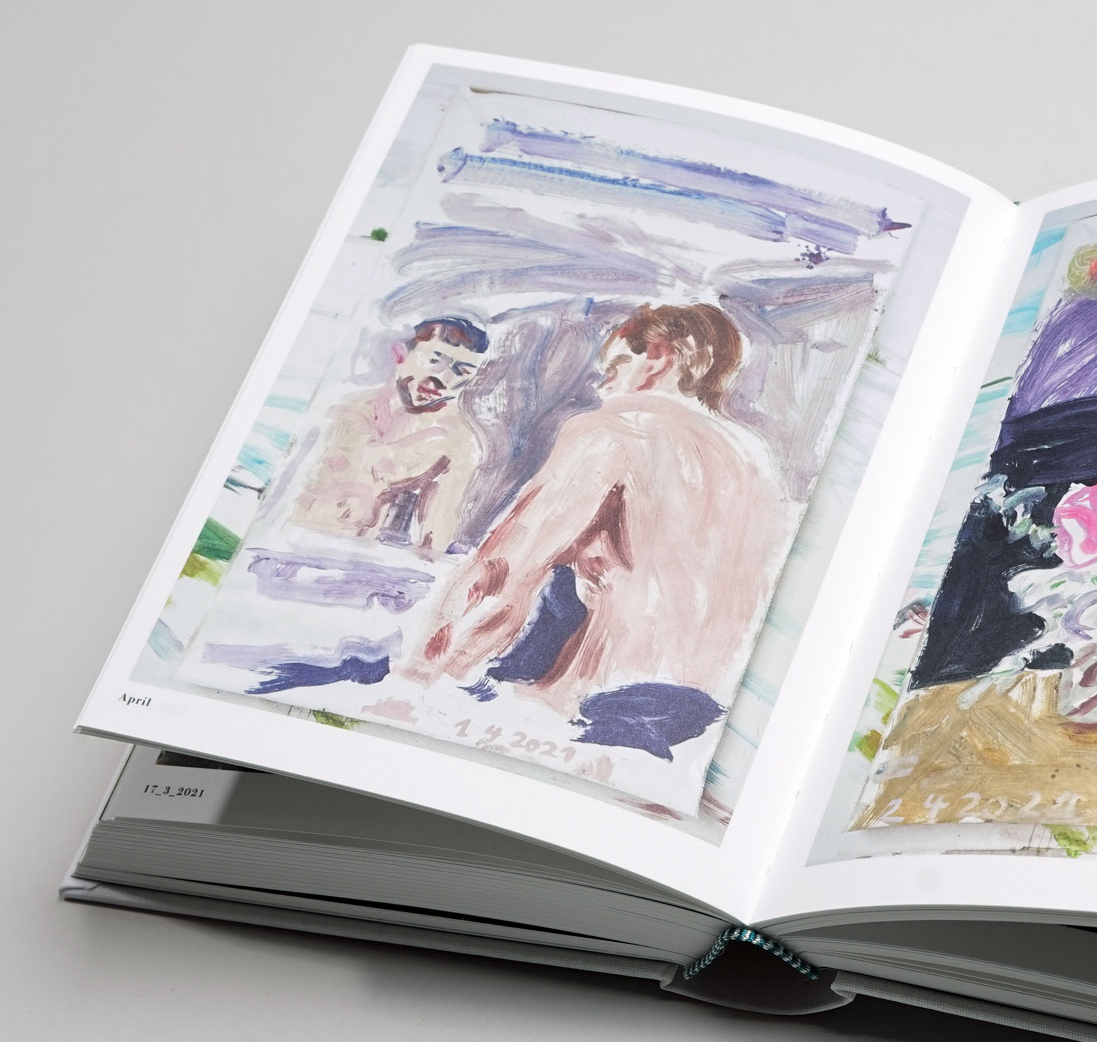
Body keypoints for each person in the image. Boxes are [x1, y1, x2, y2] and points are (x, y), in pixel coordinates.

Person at [399, 304, 794, 754]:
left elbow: (506, 570)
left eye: (617, 366)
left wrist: (423, 674)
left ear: (659, 358)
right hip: (703, 715)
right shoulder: (754, 462)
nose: (604, 384)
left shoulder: (615, 431)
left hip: (603, 704)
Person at [283, 317, 490, 557]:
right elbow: (295, 492)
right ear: (400, 355)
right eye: (434, 361)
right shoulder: (346, 412)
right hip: (296, 539)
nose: (442, 380)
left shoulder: (458, 443)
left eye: (462, 372)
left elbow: (435, 537)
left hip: (365, 558)